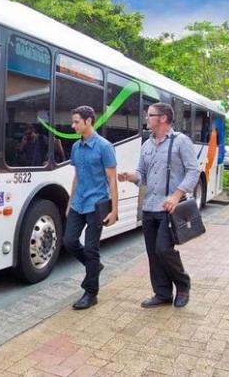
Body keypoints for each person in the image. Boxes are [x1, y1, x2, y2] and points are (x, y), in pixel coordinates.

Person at [118, 102, 199, 308]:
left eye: (150, 115)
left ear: (163, 118)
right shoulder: (146, 145)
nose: (146, 118)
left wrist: (176, 195)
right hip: (149, 207)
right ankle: (162, 294)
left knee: (163, 250)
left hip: (169, 207)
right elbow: (141, 174)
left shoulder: (181, 142)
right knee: (153, 253)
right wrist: (130, 176)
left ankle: (183, 284)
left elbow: (193, 171)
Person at [64, 105, 118, 310]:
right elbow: (77, 176)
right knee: (69, 241)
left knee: (91, 248)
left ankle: (91, 292)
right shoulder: (76, 147)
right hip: (79, 202)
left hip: (97, 204)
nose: (73, 125)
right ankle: (93, 267)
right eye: (73, 121)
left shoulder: (104, 146)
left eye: (76, 121)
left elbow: (112, 180)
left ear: (88, 121)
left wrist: (115, 210)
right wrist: (70, 202)